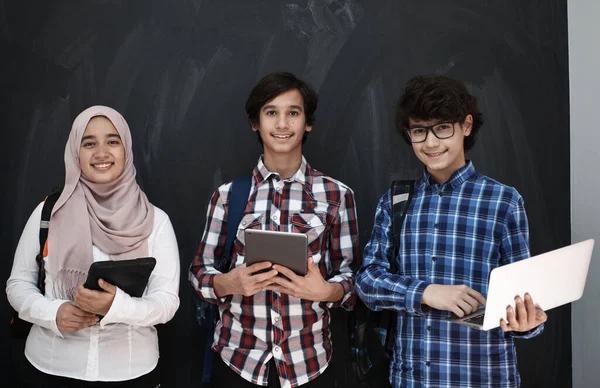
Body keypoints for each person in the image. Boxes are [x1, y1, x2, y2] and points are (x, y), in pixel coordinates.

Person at [355, 75, 547, 387]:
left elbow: (525, 299)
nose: (430, 143)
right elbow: (367, 281)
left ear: (466, 126)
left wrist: (527, 322)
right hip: (412, 379)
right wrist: (428, 293)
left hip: (485, 378)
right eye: (419, 131)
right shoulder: (396, 202)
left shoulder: (504, 201)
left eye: (442, 127)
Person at [189, 72, 360, 388]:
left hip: (309, 363)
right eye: (271, 113)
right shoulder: (228, 196)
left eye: (293, 113)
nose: (282, 124)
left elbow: (351, 280)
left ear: (307, 122)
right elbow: (199, 273)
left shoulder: (337, 196)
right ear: (255, 122)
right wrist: (228, 282)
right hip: (238, 361)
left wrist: (327, 291)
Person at [6, 105, 180, 387]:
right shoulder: (48, 213)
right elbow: (18, 284)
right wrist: (54, 314)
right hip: (51, 367)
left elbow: (167, 302)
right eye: (89, 143)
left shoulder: (155, 221)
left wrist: (116, 306)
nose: (101, 153)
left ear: (126, 149)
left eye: (112, 141)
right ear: (76, 151)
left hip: (131, 371)